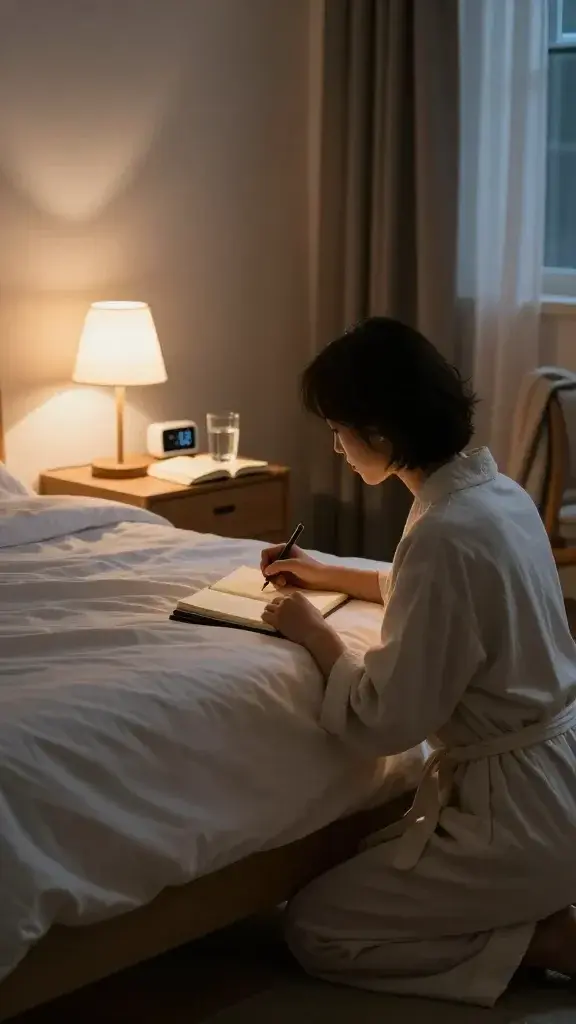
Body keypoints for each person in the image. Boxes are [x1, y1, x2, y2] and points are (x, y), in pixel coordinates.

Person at [260, 317, 576, 1007]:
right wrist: (325, 573)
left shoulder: (443, 534)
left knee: (315, 928)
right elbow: (441, 596)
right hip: (558, 784)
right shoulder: (495, 495)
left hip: (515, 818)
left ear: (379, 431)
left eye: (339, 430)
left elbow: (386, 719)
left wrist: (313, 632)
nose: (337, 448)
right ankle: (536, 908)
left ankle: (545, 940)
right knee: (365, 862)